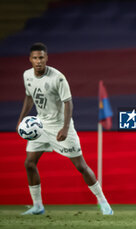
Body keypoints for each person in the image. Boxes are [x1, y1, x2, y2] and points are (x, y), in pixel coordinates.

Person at [16, 42, 113, 215]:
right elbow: (29, 97)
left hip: (60, 125)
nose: (38, 61)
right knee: (29, 163)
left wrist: (65, 127)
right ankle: (37, 205)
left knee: (81, 166)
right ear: (30, 59)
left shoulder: (57, 77)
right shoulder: (27, 75)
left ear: (47, 58)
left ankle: (103, 202)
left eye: (41, 57)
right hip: (40, 125)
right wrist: (21, 119)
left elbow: (68, 103)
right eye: (35, 58)